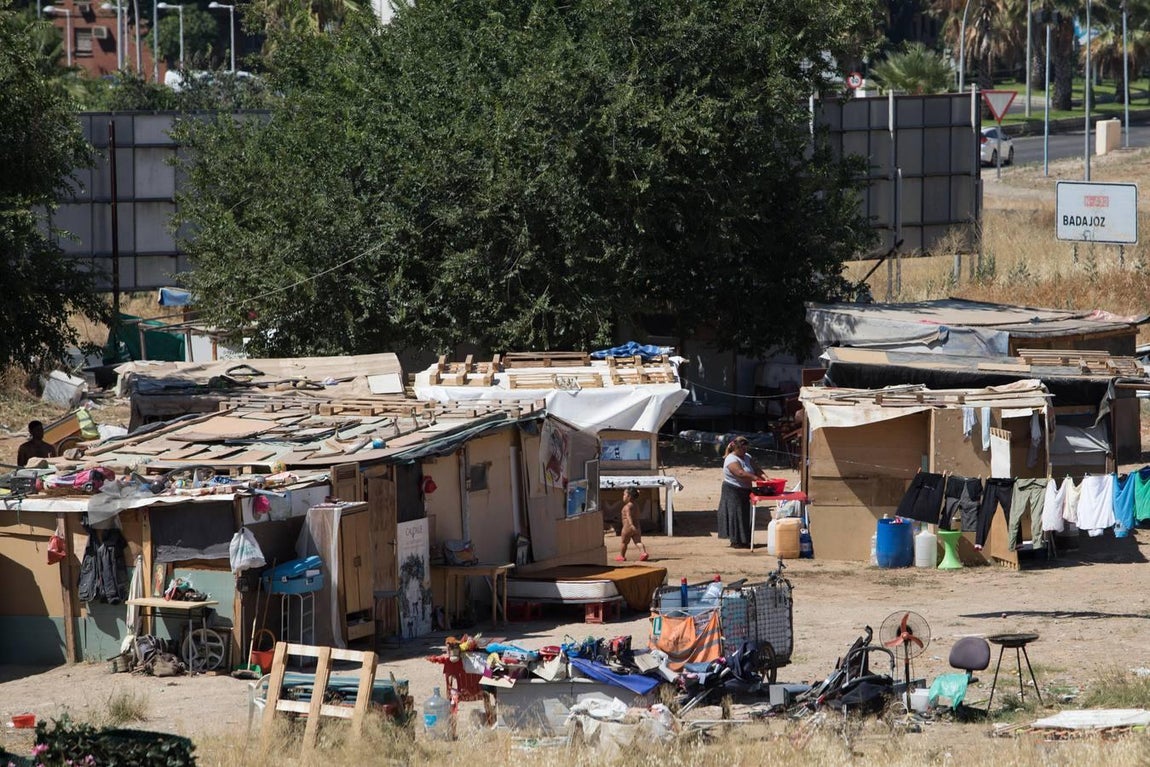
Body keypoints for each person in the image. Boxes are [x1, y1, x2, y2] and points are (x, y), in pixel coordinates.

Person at [718, 436, 765, 548]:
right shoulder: (730, 459)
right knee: (735, 515)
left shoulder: (747, 457)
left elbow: (757, 469)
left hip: (745, 490)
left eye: (746, 449)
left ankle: (745, 540)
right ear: (736, 448)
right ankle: (736, 541)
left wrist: (765, 478)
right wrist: (755, 478)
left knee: (744, 515)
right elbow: (740, 473)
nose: (745, 451)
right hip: (733, 490)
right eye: (743, 449)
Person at [616, 487, 650, 562]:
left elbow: (628, 516)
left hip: (627, 527)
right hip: (637, 526)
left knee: (624, 542)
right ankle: (643, 553)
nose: (623, 496)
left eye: (624, 495)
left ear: (629, 496)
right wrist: (634, 526)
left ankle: (621, 556)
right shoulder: (636, 505)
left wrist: (631, 525)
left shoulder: (627, 507)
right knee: (638, 542)